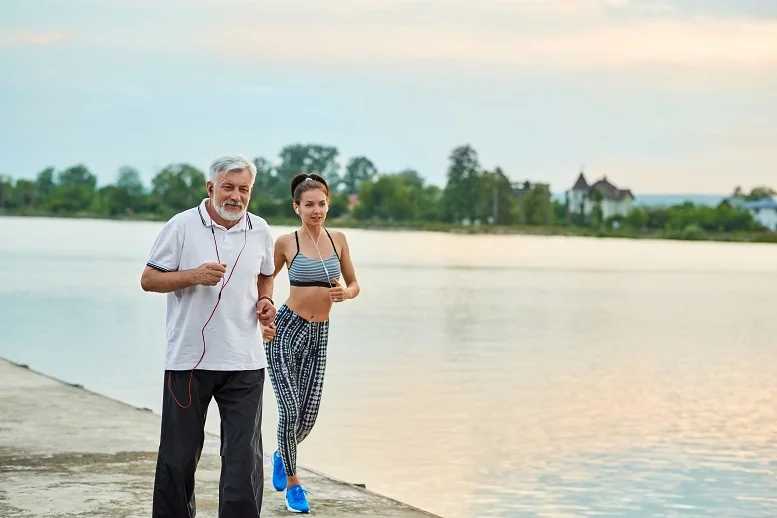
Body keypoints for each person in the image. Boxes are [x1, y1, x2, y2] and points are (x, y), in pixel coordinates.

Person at [140, 154, 277, 518]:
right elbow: (149, 280)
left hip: (244, 361)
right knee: (179, 456)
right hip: (188, 361)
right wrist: (194, 275)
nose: (236, 196)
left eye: (243, 189)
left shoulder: (261, 229)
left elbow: (266, 273)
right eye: (228, 187)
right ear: (211, 187)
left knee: (243, 458)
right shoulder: (181, 226)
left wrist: (266, 299)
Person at [260, 172, 360, 513]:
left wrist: (346, 293)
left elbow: (355, 283)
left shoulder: (339, 240)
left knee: (308, 416)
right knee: (289, 410)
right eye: (308, 205)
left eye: (321, 204)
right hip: (286, 331)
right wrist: (265, 314)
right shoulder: (286, 243)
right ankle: (293, 484)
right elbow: (265, 281)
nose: (316, 210)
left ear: (328, 204)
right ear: (297, 208)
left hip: (320, 334)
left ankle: (279, 454)